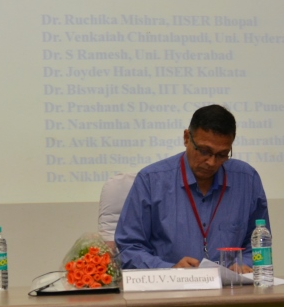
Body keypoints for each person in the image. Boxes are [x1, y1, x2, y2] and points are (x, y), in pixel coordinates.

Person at [115, 105, 270, 270]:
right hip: (169, 284)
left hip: (230, 284)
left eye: (222, 154)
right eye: (204, 151)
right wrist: (170, 269)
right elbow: (128, 248)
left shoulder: (247, 180)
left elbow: (259, 243)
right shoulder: (151, 181)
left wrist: (245, 264)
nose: (211, 162)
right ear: (186, 138)